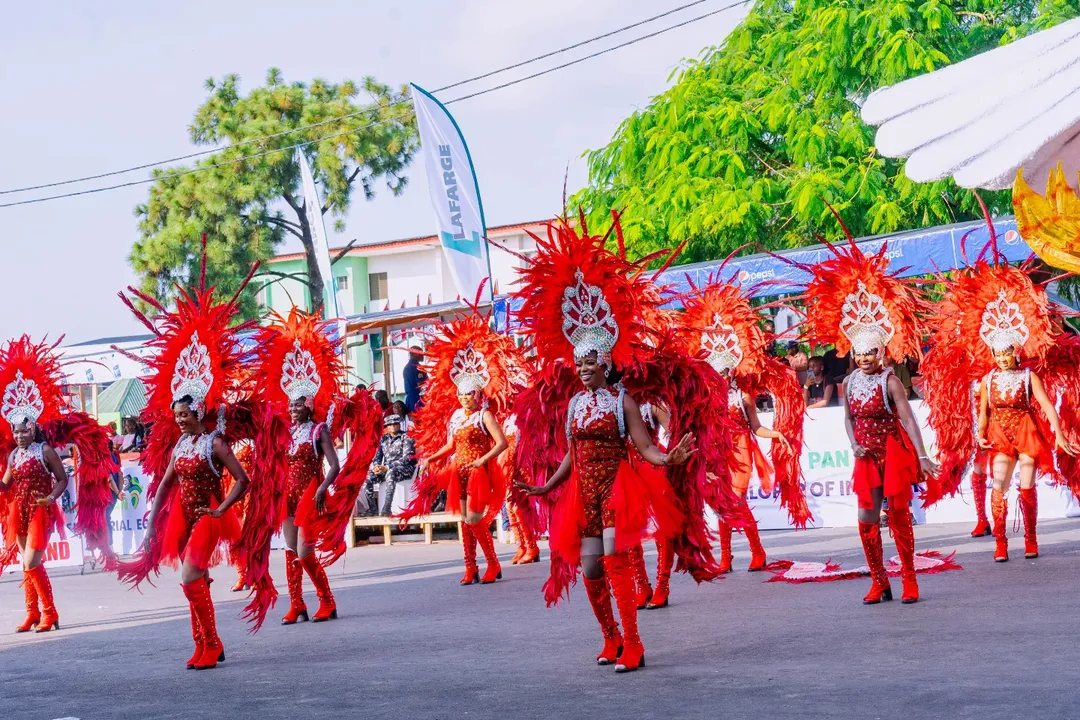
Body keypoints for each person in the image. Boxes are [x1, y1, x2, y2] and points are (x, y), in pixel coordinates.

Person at [511, 218, 702, 674]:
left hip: (618, 486)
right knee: (592, 568)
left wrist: (667, 456)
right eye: (578, 362)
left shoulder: (624, 401)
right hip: (583, 492)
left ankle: (634, 645)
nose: (583, 368)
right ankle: (610, 638)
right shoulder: (575, 404)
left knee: (615, 562)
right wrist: (544, 489)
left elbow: (644, 447)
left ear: (605, 361)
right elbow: (570, 456)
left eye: (590, 362)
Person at [115, 246, 290, 665]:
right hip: (184, 513)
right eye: (174, 415)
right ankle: (202, 642)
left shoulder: (215, 443)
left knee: (190, 573)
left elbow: (244, 480)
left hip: (210, 514)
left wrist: (223, 508)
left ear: (198, 411)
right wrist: (154, 519)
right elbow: (165, 486)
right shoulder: (180, 444)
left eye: (184, 414)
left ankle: (212, 643)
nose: (179, 420)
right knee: (196, 578)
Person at [919, 218, 1080, 559]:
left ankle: (1031, 541)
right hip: (996, 434)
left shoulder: (1026, 376)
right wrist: (978, 433)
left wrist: (1060, 433)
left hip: (1025, 431)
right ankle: (1000, 542)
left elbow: (1046, 405)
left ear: (1015, 352)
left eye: (1008, 353)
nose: (1004, 359)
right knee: (998, 485)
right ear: (992, 353)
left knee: (1026, 486)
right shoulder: (987, 379)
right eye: (999, 354)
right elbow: (982, 411)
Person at [800, 231, 938, 605]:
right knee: (865, 517)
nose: (863, 359)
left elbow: (909, 420)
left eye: (869, 354)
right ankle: (880, 580)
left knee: (898, 515)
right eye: (858, 354)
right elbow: (847, 418)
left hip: (891, 452)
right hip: (864, 454)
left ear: (879, 352)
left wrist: (922, 455)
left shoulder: (891, 381)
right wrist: (852, 442)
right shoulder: (849, 381)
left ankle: (909, 578)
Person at [253, 308, 383, 625]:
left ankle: (327, 600)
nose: (293, 408)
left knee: (304, 550)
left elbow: (334, 465)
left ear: (309, 405)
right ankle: (297, 604)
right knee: (288, 547)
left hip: (311, 494)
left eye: (299, 403)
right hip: (287, 494)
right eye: (291, 404)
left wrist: (323, 488)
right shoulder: (284, 432)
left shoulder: (318, 430)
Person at [678, 274, 810, 577]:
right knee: (720, 501)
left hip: (740, 449)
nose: (720, 375)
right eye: (715, 370)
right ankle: (728, 556)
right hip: (715, 451)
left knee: (734, 498)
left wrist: (776, 433)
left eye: (724, 370)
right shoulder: (705, 397)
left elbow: (755, 427)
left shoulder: (743, 393)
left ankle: (756, 550)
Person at [0, 336, 119, 633]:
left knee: (30, 562)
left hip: (41, 510)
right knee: (26, 566)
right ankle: (32, 613)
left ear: (34, 428)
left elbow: (63, 479)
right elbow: (5, 485)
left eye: (24, 430)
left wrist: (51, 498)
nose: (20, 435)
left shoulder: (46, 451)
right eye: (15, 431)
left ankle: (50, 613)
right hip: (20, 511)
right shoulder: (14, 454)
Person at [403, 309, 521, 586]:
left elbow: (501, 442)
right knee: (464, 521)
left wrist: (483, 461)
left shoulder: (485, 416)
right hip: (460, 471)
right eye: (461, 393)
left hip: (480, 471)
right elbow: (450, 444)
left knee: (474, 518)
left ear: (478, 394)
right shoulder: (456, 417)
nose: (465, 397)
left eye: (469, 393)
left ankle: (492, 563)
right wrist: (431, 456)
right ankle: (471, 567)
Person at [364, 414, 416, 517]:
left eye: (395, 424)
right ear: (387, 427)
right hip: (386, 469)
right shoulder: (383, 439)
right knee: (368, 478)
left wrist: (388, 467)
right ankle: (373, 509)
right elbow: (377, 457)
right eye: (390, 424)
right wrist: (377, 466)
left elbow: (407, 458)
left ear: (399, 424)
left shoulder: (406, 437)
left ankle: (387, 508)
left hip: (405, 469)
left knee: (391, 473)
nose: (393, 426)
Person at [403, 346, 427, 413]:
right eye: (420, 353)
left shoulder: (407, 367)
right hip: (418, 400)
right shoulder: (417, 368)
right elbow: (421, 386)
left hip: (410, 400)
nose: (423, 355)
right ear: (414, 354)